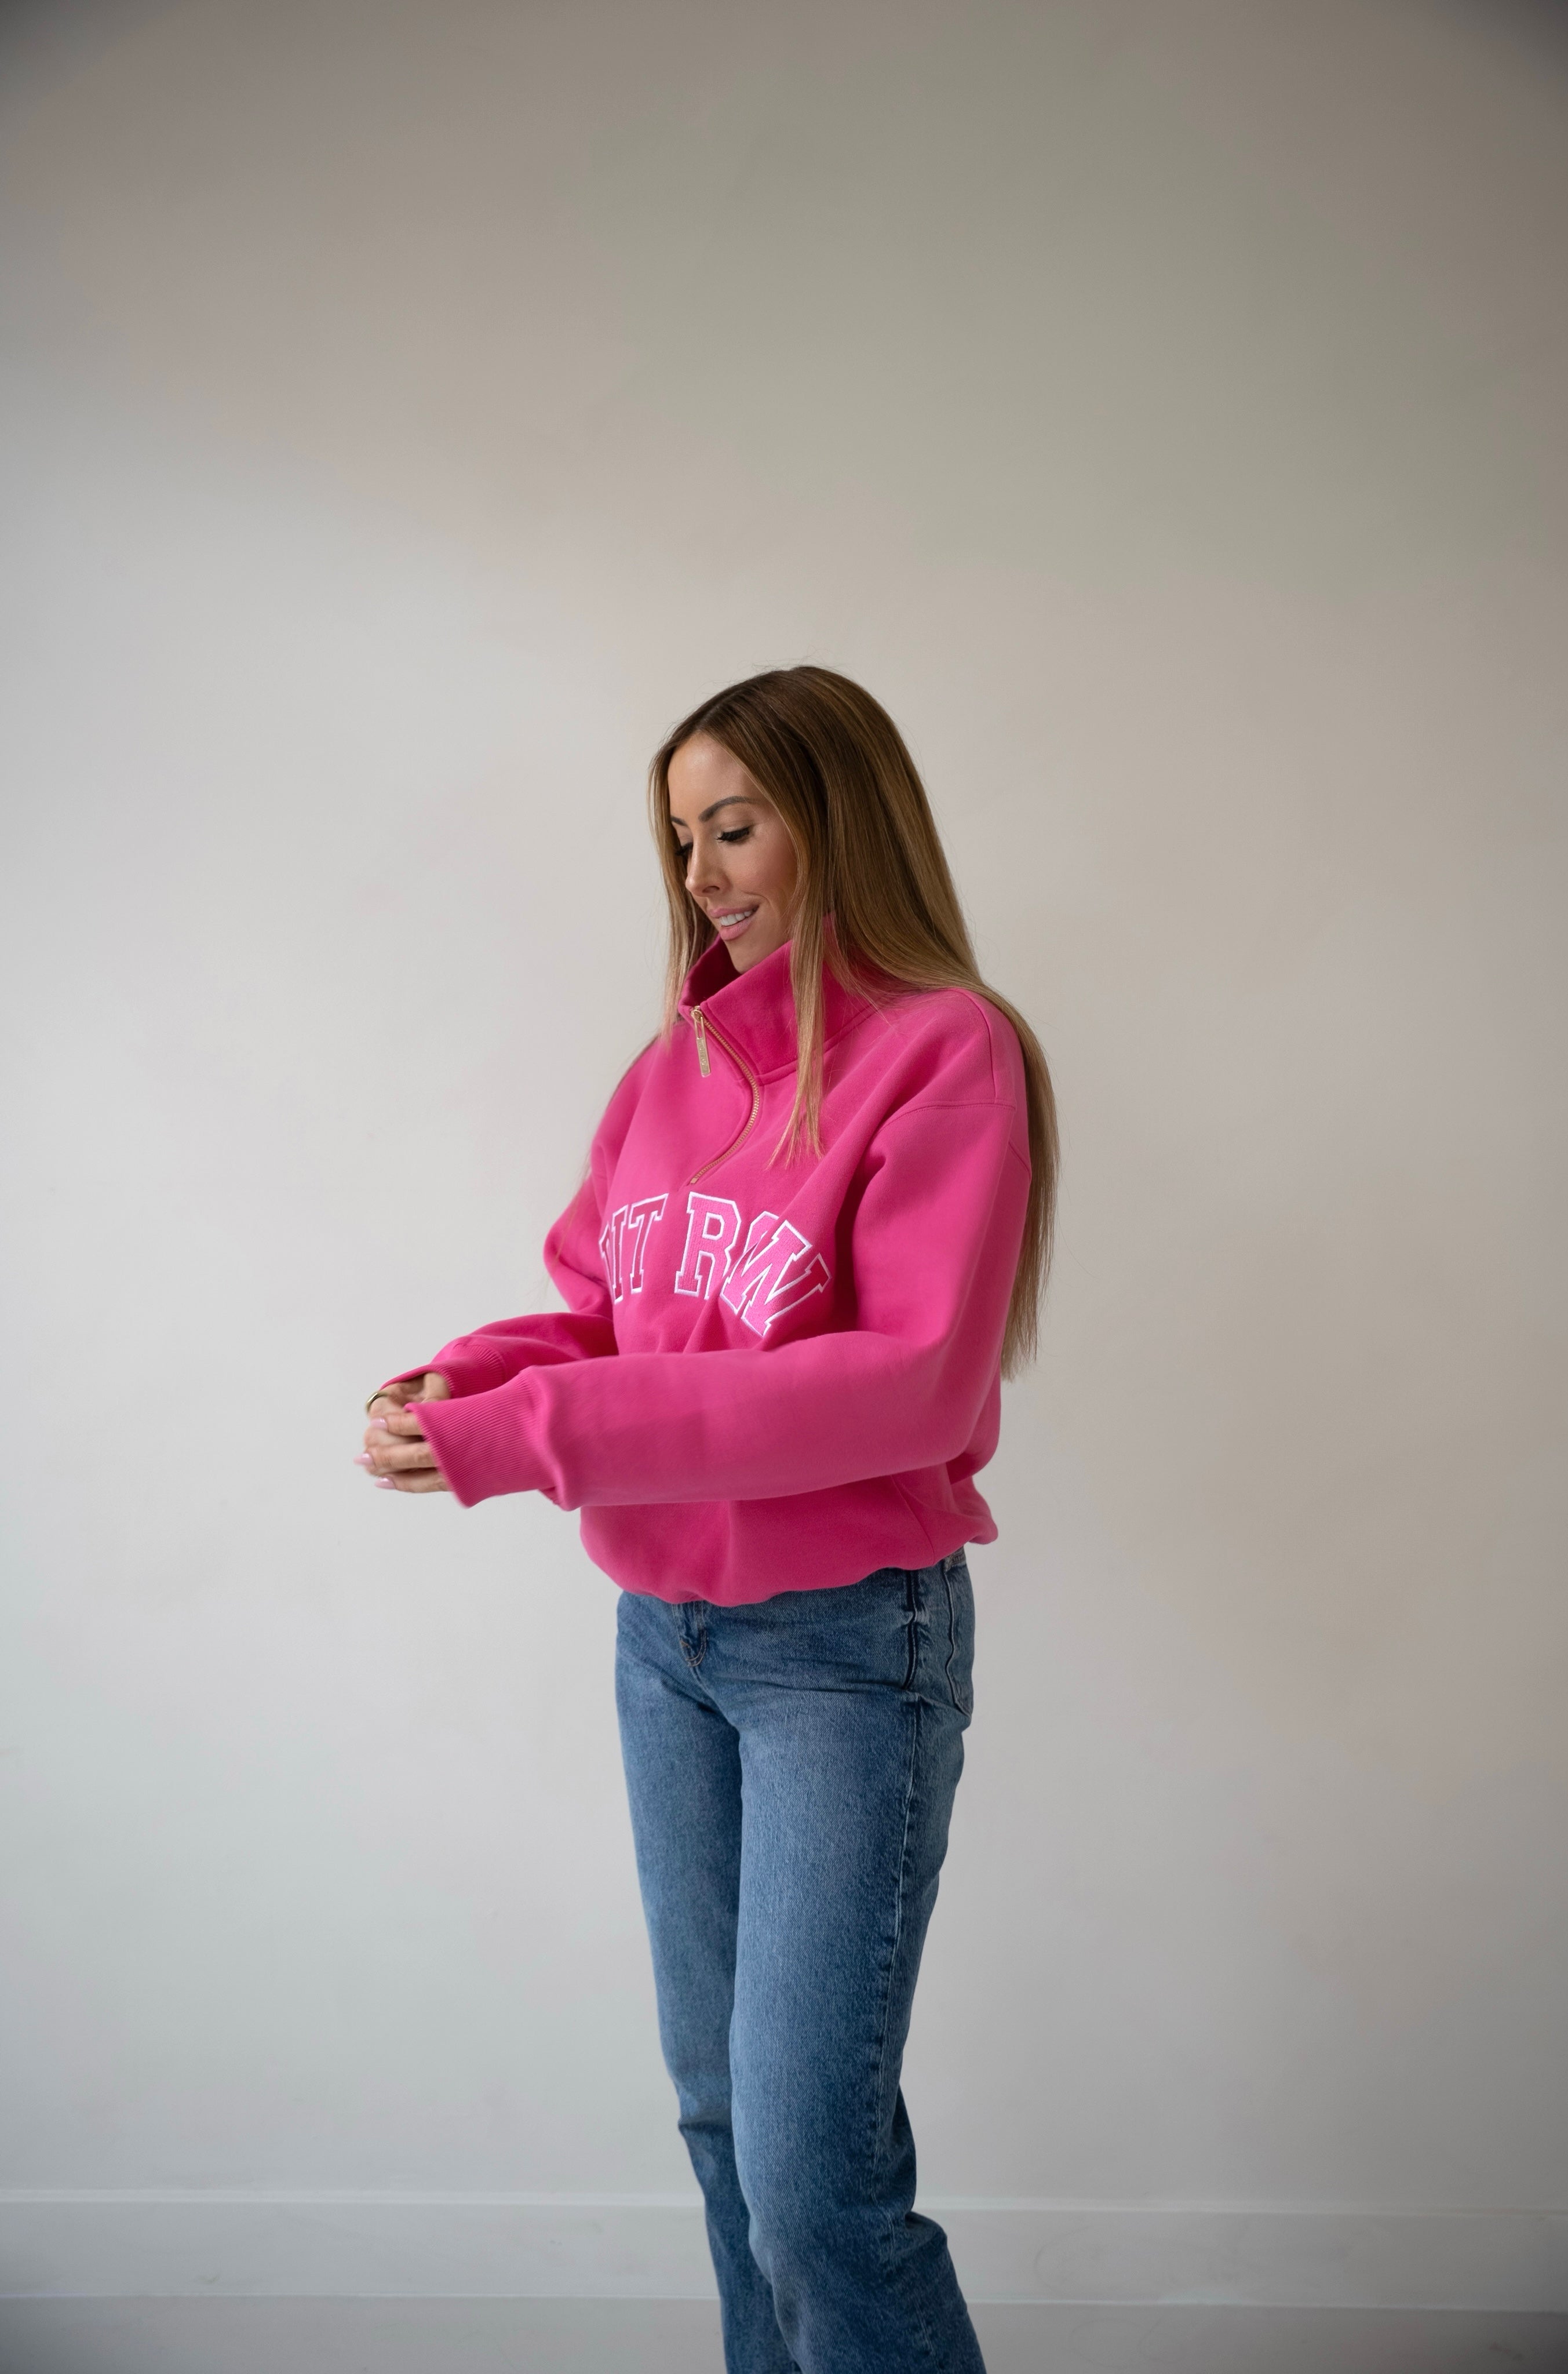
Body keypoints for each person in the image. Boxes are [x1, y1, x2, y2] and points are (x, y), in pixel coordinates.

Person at [357, 665, 1057, 2374]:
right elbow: (603, 1315)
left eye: (734, 827)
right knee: (724, 2130)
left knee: (814, 2179)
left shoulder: (947, 1050)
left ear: (841, 818)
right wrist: (464, 1382)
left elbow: (909, 1387)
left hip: (844, 1648)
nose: (700, 875)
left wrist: (537, 1434)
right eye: (681, 837)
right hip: (664, 1640)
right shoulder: (668, 1070)